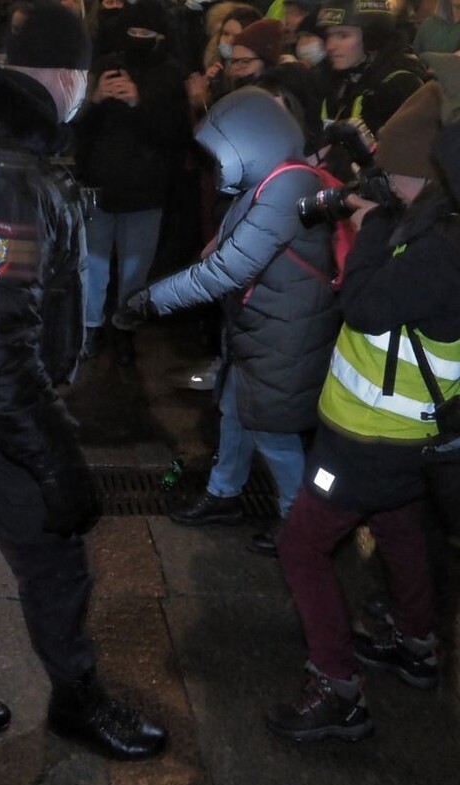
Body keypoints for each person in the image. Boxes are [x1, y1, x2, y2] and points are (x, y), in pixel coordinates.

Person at [0, 0, 167, 761]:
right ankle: (79, 700)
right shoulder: (2, 181)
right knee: (55, 560)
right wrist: (56, 459)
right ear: (67, 77)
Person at [266, 83, 460, 743]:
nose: (383, 183)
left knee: (301, 547)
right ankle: (416, 640)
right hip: (404, 438)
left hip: (372, 436)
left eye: (392, 174)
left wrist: (370, 223)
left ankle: (337, 686)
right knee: (400, 525)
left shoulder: (441, 247)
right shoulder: (435, 224)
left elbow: (367, 306)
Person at [117, 87, 339, 553]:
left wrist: (150, 300)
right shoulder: (273, 179)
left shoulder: (288, 189)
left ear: (252, 142)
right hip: (263, 326)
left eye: (221, 155)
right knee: (235, 414)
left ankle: (299, 525)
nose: (216, 168)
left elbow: (226, 270)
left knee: (273, 432)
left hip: (286, 334)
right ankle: (225, 494)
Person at [74, 0, 192, 366]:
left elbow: (175, 134)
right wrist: (93, 100)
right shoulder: (107, 66)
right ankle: (91, 327)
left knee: (134, 268)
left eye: (146, 34)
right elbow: (79, 128)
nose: (138, 39)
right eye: (133, 32)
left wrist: (140, 101)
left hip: (146, 187)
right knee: (92, 263)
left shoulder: (172, 75)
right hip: (100, 183)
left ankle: (125, 328)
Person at [317, 0, 425, 163]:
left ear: (372, 37)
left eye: (342, 35)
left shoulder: (400, 84)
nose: (330, 45)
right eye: (328, 36)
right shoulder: (330, 76)